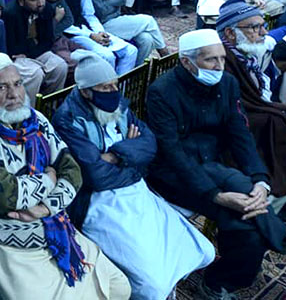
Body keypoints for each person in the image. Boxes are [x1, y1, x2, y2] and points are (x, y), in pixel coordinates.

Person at [0, 53, 131, 300]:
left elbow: (72, 171)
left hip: (51, 223)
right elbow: (8, 196)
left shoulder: (35, 119)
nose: (14, 94)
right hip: (3, 238)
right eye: (1, 87)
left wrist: (46, 208)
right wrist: (49, 179)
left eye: (17, 84)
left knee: (119, 287)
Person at [52, 50, 215, 299]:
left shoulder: (119, 105)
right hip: (99, 202)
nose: (113, 92)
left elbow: (150, 145)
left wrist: (115, 155)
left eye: (114, 85)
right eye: (105, 88)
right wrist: (129, 157)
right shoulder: (68, 120)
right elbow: (95, 177)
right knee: (152, 285)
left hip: (137, 189)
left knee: (203, 251)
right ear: (86, 92)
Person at [146, 29, 286, 298]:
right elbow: (172, 151)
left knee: (249, 204)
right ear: (187, 62)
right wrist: (216, 196)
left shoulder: (227, 83)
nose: (220, 66)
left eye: (222, 59)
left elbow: (240, 133)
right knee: (243, 217)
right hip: (173, 173)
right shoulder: (162, 92)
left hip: (213, 164)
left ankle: (221, 279)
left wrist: (260, 178)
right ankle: (224, 276)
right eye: (211, 60)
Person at [214, 0, 286, 200]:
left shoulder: (249, 55)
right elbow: (230, 108)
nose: (264, 33)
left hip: (250, 119)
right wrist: (273, 115)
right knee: (277, 125)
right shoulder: (219, 60)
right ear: (230, 34)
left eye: (263, 26)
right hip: (226, 132)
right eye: (255, 27)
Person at [3, 0, 71, 104]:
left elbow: (48, 41)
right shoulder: (10, 14)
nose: (40, 3)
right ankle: (27, 111)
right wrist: (30, 54)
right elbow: (11, 48)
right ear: (21, 1)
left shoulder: (46, 9)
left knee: (60, 66)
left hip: (33, 51)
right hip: (15, 56)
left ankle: (48, 107)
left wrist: (30, 53)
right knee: (35, 73)